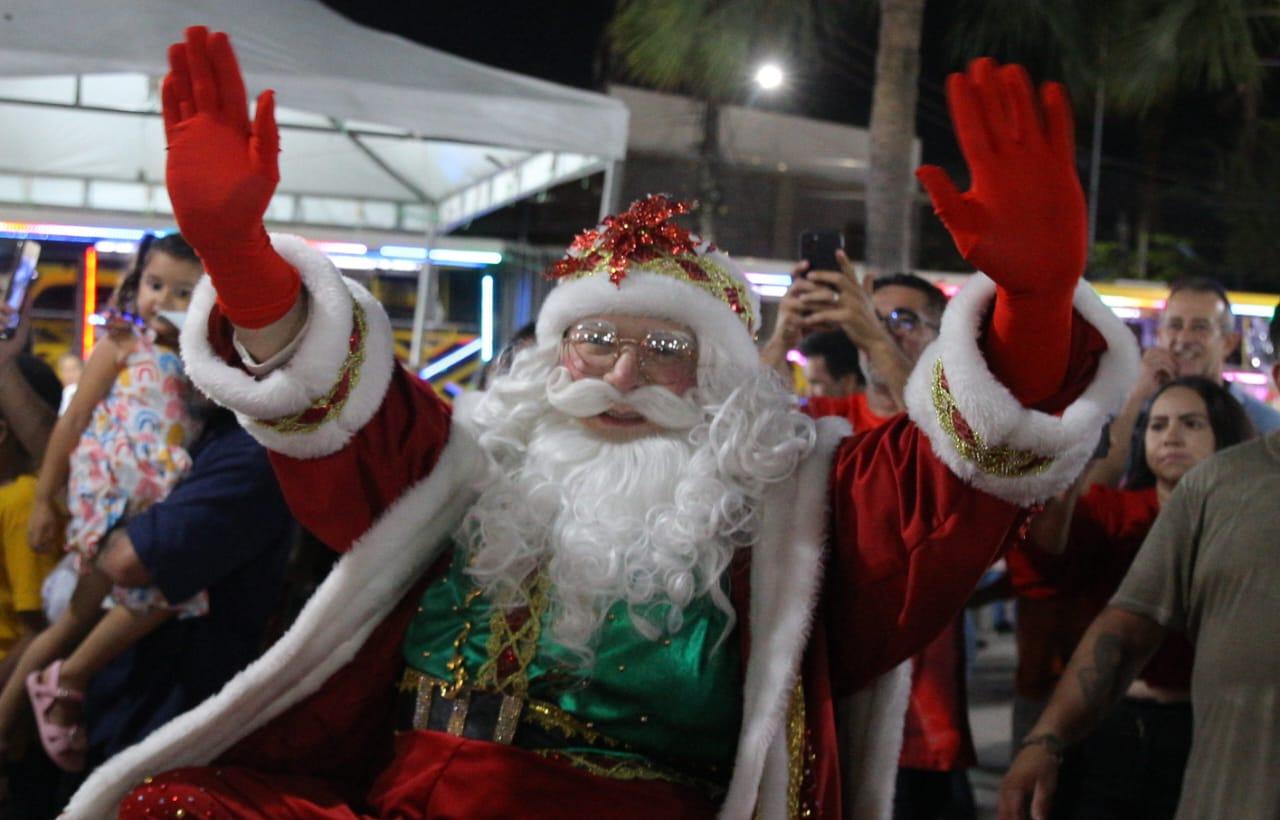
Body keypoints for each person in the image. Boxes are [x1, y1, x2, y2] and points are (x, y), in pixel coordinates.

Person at [65, 30, 1138, 819]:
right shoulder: (468, 466)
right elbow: (335, 417)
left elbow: (944, 489)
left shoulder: (788, 501)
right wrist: (243, 261)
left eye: (668, 349)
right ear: (551, 352)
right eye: (597, 342)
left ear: (718, 378)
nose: (625, 371)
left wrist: (1035, 308)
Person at [1001, 377, 1253, 819]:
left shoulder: (1250, 523)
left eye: (1190, 423)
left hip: (1211, 729)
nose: (1170, 435)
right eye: (1157, 425)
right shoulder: (1112, 510)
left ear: (1224, 434)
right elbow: (1043, 565)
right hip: (1107, 725)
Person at [0, 234, 204, 773]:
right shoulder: (121, 346)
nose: (163, 301)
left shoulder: (201, 363)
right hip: (112, 497)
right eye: (155, 285)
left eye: (184, 292)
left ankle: (43, 698)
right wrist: (45, 498)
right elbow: (72, 422)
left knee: (87, 617)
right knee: (86, 616)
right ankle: (45, 697)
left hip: (151, 504)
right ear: (138, 284)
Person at [1088, 276, 1280, 489]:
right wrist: (1135, 399)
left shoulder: (1267, 425)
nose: (1184, 338)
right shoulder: (1129, 412)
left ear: (1228, 343)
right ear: (1160, 335)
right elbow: (1093, 492)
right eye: (1175, 325)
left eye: (1200, 327)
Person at [55, 353, 84, 417]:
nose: (70, 375)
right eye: (66, 370)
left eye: (74, 369)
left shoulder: (71, 390)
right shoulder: (60, 394)